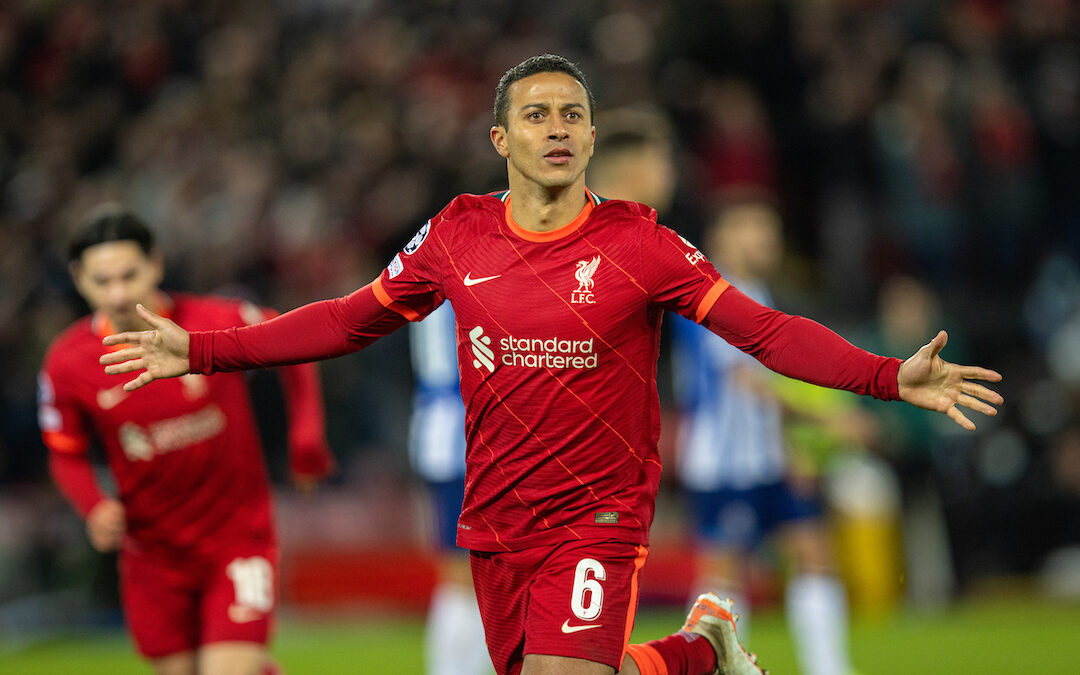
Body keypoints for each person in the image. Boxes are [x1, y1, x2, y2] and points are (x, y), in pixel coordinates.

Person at [99, 54, 1003, 675]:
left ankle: (702, 643)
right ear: (503, 140)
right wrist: (202, 350)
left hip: (599, 514)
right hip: (495, 515)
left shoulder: (640, 243)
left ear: (592, 135)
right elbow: (348, 321)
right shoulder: (456, 231)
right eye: (537, 115)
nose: (558, 128)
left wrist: (888, 376)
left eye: (574, 114)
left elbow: (764, 331)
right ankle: (700, 648)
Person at [39, 206, 335, 675]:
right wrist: (93, 505)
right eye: (102, 280)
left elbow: (294, 341)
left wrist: (306, 437)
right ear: (78, 279)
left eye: (129, 274)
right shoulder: (67, 363)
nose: (117, 293)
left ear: (155, 264)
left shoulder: (214, 320)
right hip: (152, 553)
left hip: (238, 539)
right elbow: (65, 453)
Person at [671, 197, 874, 675]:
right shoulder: (707, 295)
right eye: (754, 228)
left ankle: (830, 668)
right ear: (722, 237)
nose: (768, 241)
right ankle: (706, 667)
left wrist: (789, 450)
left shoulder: (758, 290)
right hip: (720, 464)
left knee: (815, 553)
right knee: (721, 580)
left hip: (764, 458)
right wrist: (828, 421)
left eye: (771, 230)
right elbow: (747, 382)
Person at [409, 302, 492, 675]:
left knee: (464, 572)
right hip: (466, 433)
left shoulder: (427, 278)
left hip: (441, 430)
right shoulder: (464, 281)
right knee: (464, 574)